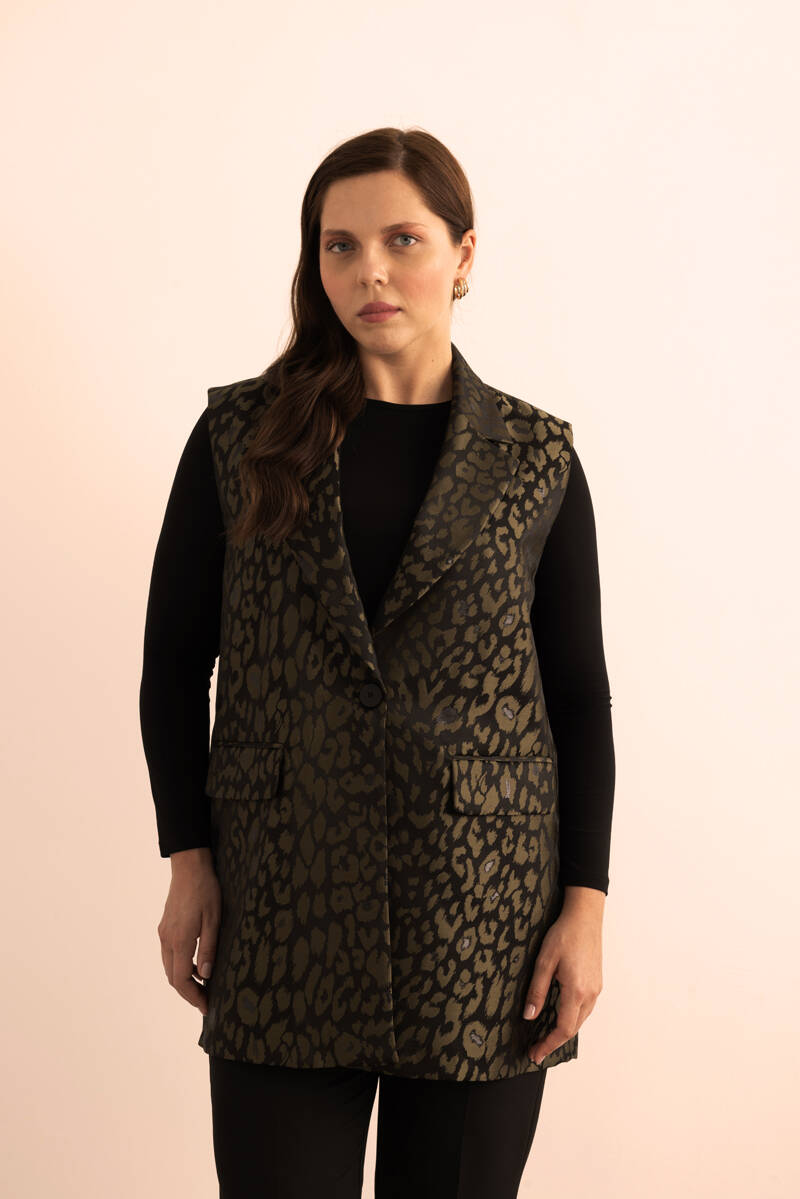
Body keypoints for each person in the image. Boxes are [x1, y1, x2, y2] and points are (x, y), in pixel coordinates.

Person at [139, 126, 615, 1199]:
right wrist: (188, 860)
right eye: (340, 246)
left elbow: (578, 697)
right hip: (282, 903)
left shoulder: (535, 458)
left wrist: (583, 906)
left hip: (482, 917)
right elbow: (171, 667)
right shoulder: (241, 436)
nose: (370, 272)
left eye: (402, 239)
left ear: (463, 253)